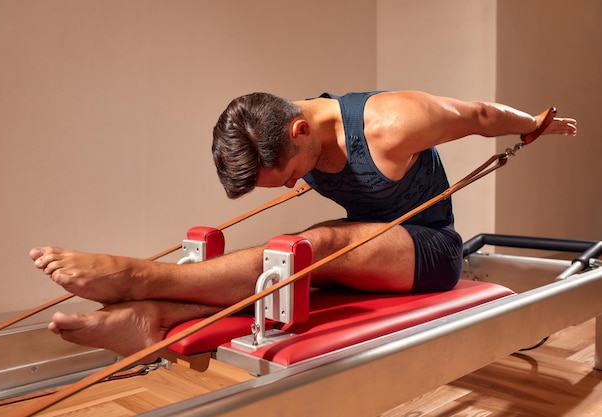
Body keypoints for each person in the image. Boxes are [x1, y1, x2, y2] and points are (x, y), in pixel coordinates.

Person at [30, 91, 577, 356]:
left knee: (309, 245)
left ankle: (143, 278)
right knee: (291, 263)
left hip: (430, 253)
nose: (294, 184)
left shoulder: (393, 123)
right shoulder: (273, 122)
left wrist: (532, 125)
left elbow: (478, 116)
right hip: (365, 258)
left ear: (299, 131)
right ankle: (154, 315)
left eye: (291, 175)